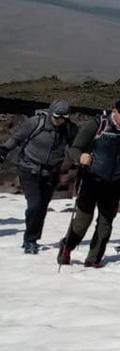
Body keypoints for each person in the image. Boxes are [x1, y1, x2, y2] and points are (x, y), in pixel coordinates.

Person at [58, 99, 120, 267]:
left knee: (106, 223)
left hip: (114, 182)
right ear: (115, 112)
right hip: (91, 179)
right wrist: (80, 157)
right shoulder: (97, 125)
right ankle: (67, 247)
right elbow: (75, 148)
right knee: (83, 221)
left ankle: (94, 259)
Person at [0, 99, 77, 254]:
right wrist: (4, 150)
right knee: (34, 205)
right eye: (56, 117)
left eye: (63, 118)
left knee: (41, 208)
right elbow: (17, 138)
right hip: (29, 168)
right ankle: (30, 240)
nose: (59, 121)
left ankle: (33, 237)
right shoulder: (36, 123)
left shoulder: (69, 129)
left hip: (50, 173)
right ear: (50, 113)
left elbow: (77, 145)